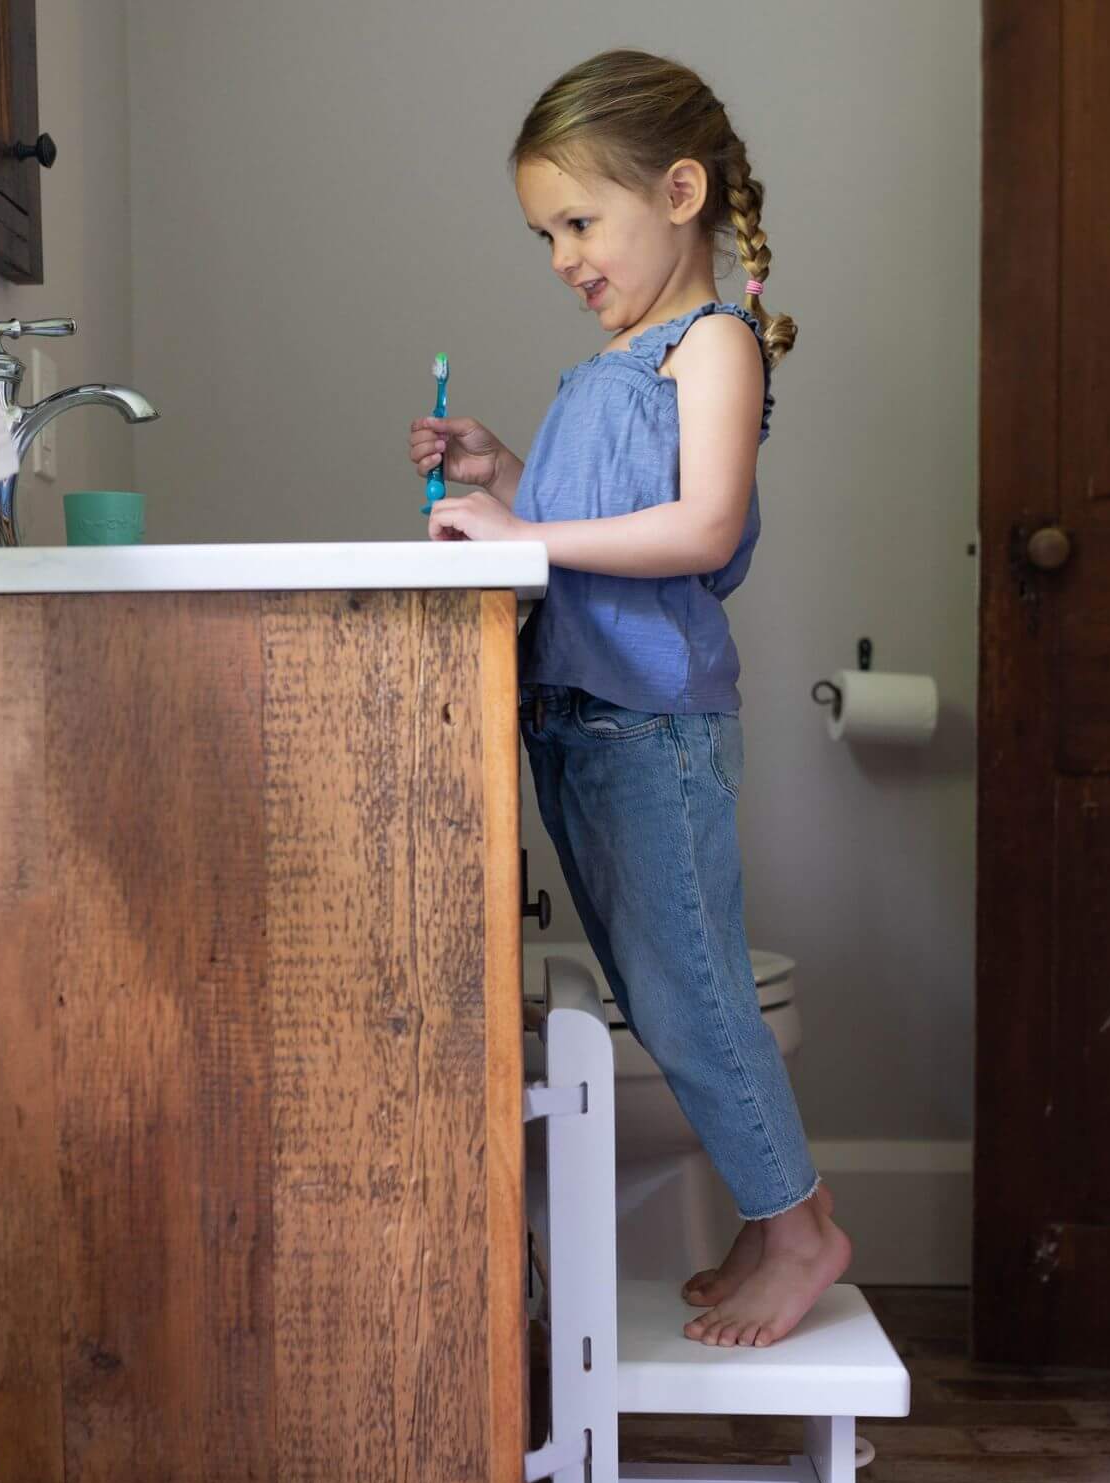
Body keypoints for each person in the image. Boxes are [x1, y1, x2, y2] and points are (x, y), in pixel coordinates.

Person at [406, 48, 849, 1348]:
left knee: (695, 993)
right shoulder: (618, 363)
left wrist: (518, 538)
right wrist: (510, 473)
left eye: (580, 222)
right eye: (545, 232)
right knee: (663, 998)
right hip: (583, 723)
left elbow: (700, 528)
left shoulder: (713, 345)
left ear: (681, 191)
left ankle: (802, 1227)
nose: (561, 256)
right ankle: (773, 1222)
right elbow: (604, 514)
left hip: (648, 726)